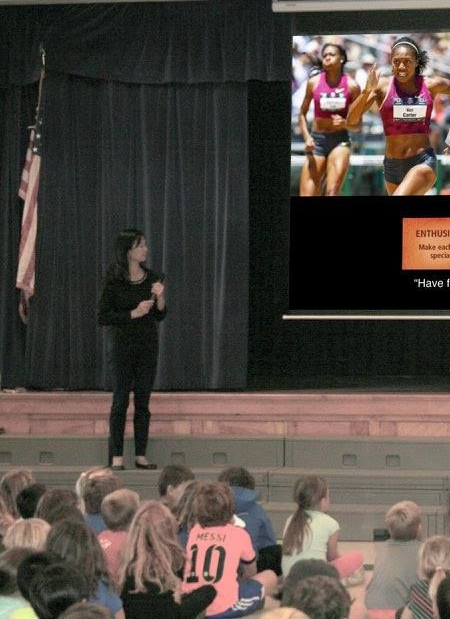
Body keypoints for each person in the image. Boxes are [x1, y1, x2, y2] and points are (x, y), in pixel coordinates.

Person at [347, 36, 450, 195]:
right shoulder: (382, 86)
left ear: (416, 62)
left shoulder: (430, 84)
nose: (401, 66)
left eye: (407, 61)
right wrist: (366, 92)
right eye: (396, 61)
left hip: (422, 161)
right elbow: (351, 120)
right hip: (392, 166)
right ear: (391, 62)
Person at [98, 228, 166, 471]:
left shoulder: (153, 277)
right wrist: (132, 313)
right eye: (140, 245)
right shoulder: (114, 278)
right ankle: (116, 456)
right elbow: (103, 315)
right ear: (128, 251)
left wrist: (160, 298)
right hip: (121, 346)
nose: (145, 249)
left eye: (145, 245)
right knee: (120, 401)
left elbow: (160, 314)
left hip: (147, 345)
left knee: (143, 401)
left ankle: (140, 454)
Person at [181, 482, 277, 617]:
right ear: (231, 508)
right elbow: (251, 572)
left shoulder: (194, 531)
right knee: (270, 577)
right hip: (222, 609)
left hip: (191, 605)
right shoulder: (239, 533)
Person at [119, 500, 216, 618]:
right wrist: (208, 591)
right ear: (168, 531)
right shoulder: (160, 573)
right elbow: (174, 614)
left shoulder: (129, 568)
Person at [297, 43, 361, 196]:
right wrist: (306, 137)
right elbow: (301, 113)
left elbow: (358, 125)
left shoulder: (352, 86)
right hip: (317, 141)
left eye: (331, 54)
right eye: (324, 55)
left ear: (342, 59)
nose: (327, 58)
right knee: (307, 195)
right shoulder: (314, 82)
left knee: (332, 192)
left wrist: (346, 124)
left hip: (340, 141)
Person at [280, 475, 364, 581]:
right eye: (328, 496)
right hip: (318, 580)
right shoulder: (331, 523)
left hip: (290, 577)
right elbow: (332, 557)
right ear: (323, 501)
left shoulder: (290, 520)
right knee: (357, 557)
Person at [364, 500, 423, 619]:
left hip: (371, 609)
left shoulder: (382, 548)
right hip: (399, 612)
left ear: (390, 530)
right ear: (419, 529)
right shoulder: (424, 550)